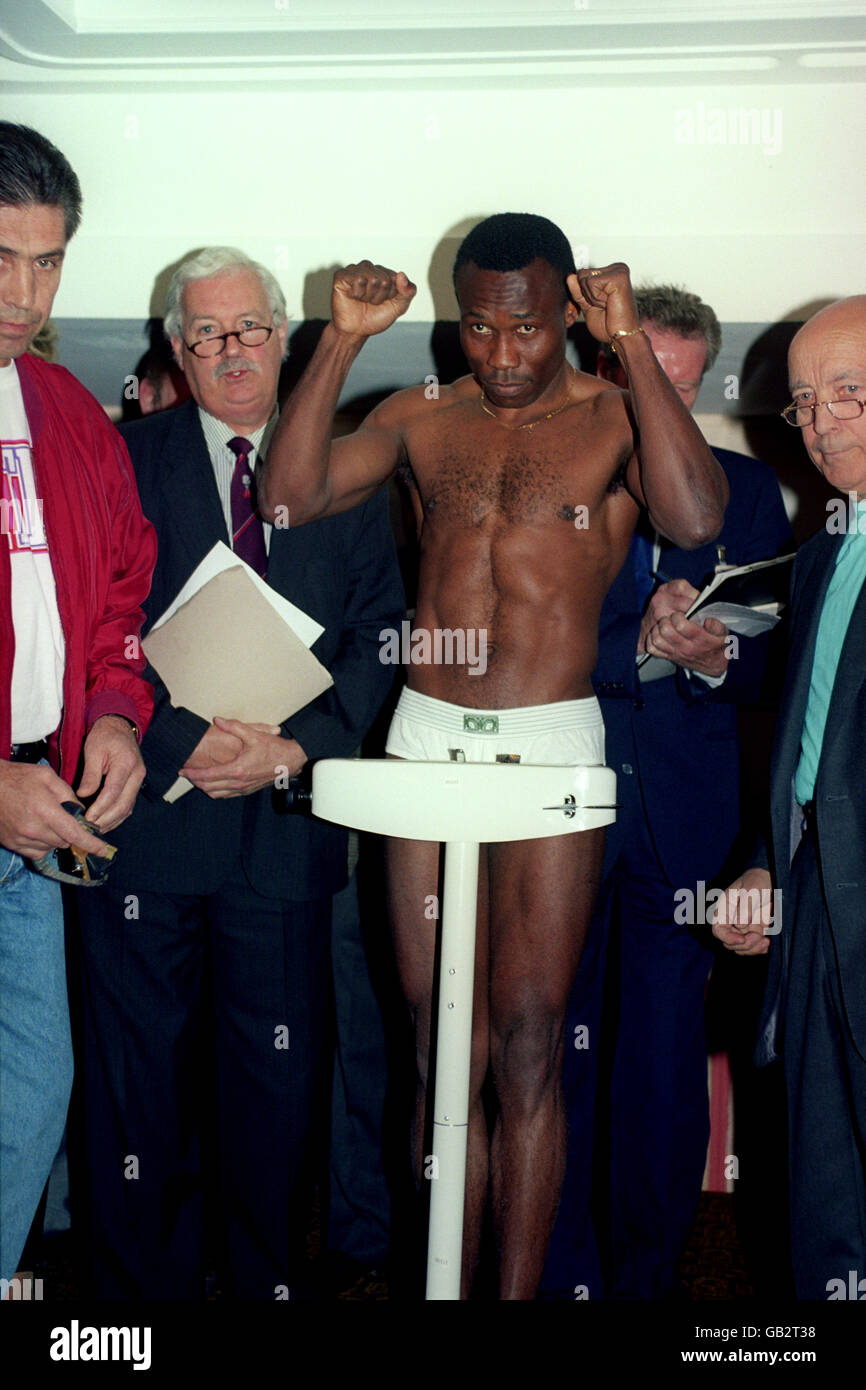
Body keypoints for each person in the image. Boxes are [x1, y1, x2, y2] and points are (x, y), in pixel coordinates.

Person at [258, 212, 728, 1299]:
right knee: (437, 1047)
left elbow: (695, 518)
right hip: (424, 737)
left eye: (522, 330)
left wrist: (629, 351)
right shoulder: (421, 415)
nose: (501, 356)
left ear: (564, 309)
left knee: (524, 1045)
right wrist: (337, 340)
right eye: (475, 329)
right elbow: (285, 498)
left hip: (549, 741)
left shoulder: (613, 415)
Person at [77, 246, 405, 1299]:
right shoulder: (123, 458)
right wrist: (176, 738)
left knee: (275, 1100)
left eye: (250, 328)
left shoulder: (346, 468)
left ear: (284, 334)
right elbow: (100, 624)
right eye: (206, 333)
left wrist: (291, 748)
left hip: (282, 832)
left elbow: (377, 639)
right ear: (177, 349)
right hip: (151, 825)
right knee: (143, 1103)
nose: (231, 351)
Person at [544, 284, 792, 1299]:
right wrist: (631, 641)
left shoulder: (744, 486)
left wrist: (709, 660)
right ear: (605, 368)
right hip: (559, 816)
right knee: (548, 1069)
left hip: (688, 831)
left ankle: (643, 1285)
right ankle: (557, 1278)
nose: (664, 412)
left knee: (656, 1078)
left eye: (684, 391)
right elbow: (507, 652)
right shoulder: (547, 478)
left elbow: (778, 667)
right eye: (647, 380)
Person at [0, 122, 156, 1284]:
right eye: (1, 256)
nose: (26, 291)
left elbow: (115, 598)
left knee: (34, 1092)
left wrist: (111, 711)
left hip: (36, 817)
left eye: (48, 262)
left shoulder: (64, 408)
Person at [713, 295, 866, 1299]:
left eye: (847, 392)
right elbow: (806, 740)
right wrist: (771, 858)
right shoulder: (821, 552)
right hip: (815, 901)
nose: (818, 421)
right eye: (802, 402)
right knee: (825, 1190)